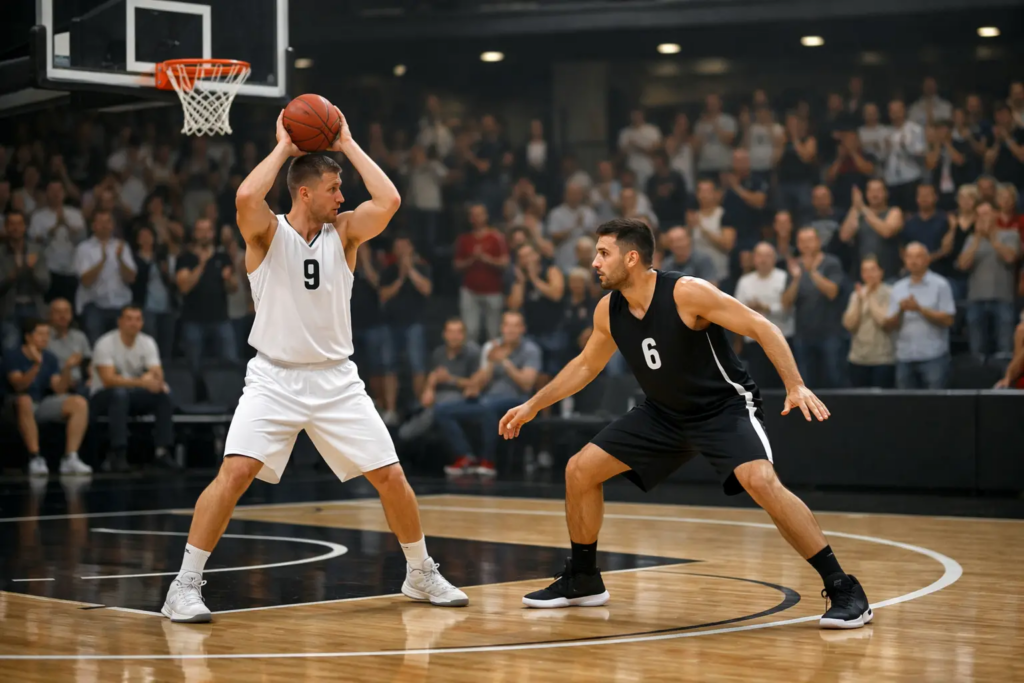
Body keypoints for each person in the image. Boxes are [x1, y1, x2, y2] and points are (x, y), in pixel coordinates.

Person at [160, 109, 467, 624]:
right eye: (332, 187)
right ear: (304, 193)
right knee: (234, 472)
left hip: (335, 379)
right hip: (274, 377)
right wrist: (283, 147)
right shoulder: (264, 233)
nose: (342, 196)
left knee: (391, 476)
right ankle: (184, 585)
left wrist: (346, 143)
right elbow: (243, 198)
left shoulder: (344, 234)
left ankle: (420, 572)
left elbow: (389, 200)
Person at [498, 218, 872, 629]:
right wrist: (533, 404)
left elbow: (763, 326)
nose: (595, 263)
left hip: (722, 408)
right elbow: (587, 364)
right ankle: (584, 579)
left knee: (761, 482)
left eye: (603, 253)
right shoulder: (609, 308)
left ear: (632, 257)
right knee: (580, 469)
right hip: (663, 413)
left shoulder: (686, 292)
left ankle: (843, 587)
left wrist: (795, 384)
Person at [437, 310, 541, 478]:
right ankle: (465, 457)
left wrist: (505, 362)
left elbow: (527, 383)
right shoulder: (491, 347)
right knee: (442, 410)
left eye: (515, 326)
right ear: (502, 328)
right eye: (507, 325)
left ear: (523, 329)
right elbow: (481, 381)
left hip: (517, 401)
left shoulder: (531, 350)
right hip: (486, 399)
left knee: (488, 407)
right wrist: (491, 363)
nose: (511, 330)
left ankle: (488, 461)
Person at [90, 305, 176, 472]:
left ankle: (162, 452)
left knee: (163, 395)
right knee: (120, 395)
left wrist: (152, 380)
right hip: (102, 396)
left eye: (137, 319)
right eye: (129, 319)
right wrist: (142, 381)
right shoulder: (105, 343)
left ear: (142, 323)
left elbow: (158, 374)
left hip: (131, 393)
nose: (133, 323)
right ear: (120, 322)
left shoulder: (148, 342)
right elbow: (108, 380)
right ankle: (118, 453)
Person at [3, 318, 92, 477]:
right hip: (14, 404)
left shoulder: (49, 357)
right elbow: (19, 386)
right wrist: (36, 365)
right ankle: (35, 458)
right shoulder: (13, 355)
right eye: (40, 334)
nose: (45, 338)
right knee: (25, 400)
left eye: (47, 334)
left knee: (79, 403)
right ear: (28, 337)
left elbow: (59, 389)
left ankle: (70, 457)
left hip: (41, 402)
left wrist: (67, 368)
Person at [883, 243, 956, 389]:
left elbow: (948, 320)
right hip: (904, 357)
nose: (913, 261)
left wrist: (919, 309)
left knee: (934, 406)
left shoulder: (941, 285)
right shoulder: (897, 287)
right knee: (905, 408)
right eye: (909, 256)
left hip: (933, 357)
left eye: (918, 256)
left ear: (927, 259)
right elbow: (888, 326)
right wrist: (901, 310)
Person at [734, 242, 793, 389]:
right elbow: (736, 311)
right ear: (754, 259)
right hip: (755, 341)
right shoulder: (744, 281)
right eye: (759, 255)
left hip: (782, 339)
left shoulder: (784, 277)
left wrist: (766, 308)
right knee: (759, 384)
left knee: (782, 384)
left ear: (774, 258)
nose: (763, 260)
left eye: (767, 256)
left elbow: (788, 308)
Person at [842, 256, 895, 388]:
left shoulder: (890, 293)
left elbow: (884, 321)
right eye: (865, 270)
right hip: (858, 358)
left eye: (873, 270)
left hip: (883, 359)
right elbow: (849, 325)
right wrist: (860, 301)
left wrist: (869, 297)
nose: (868, 274)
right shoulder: (856, 295)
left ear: (881, 272)